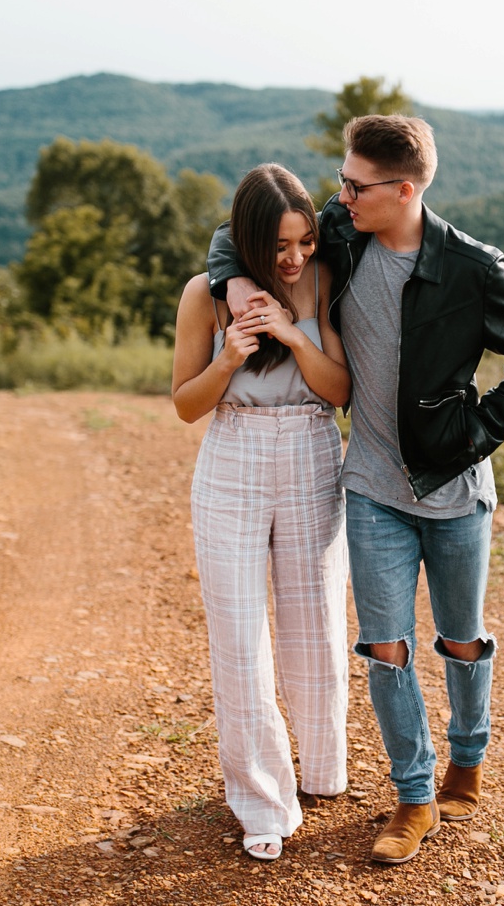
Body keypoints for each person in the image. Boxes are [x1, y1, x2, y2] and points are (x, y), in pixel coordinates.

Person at [208, 115, 504, 864]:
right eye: (341, 182)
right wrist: (231, 279)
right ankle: (414, 797)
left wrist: (473, 432)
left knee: (460, 639)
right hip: (369, 488)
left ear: (404, 191)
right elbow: (241, 230)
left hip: (455, 489)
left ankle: (468, 757)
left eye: (356, 185)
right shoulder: (343, 235)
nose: (341, 196)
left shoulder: (473, 267)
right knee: (386, 648)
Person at [172, 163, 352, 863]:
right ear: (246, 239)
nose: (295, 257)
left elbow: (338, 391)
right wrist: (230, 357)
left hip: (310, 451)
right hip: (231, 460)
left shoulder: (321, 280)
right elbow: (186, 404)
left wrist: (295, 333)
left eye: (304, 241)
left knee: (317, 624)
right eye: (280, 245)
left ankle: (321, 771)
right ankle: (261, 801)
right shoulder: (204, 295)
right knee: (239, 637)